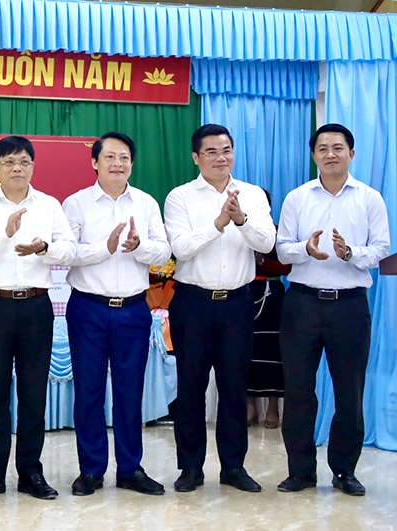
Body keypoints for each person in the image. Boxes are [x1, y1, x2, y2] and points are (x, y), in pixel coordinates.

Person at [275, 124, 390, 496]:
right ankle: (301, 471)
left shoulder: (370, 198)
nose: (330, 154)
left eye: (338, 147)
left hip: (350, 307)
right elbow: (281, 249)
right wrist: (304, 249)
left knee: (349, 392)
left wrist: (351, 254)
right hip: (303, 303)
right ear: (314, 156)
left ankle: (344, 471)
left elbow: (382, 249)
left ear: (351, 154)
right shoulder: (297, 197)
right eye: (322, 148)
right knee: (298, 391)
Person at [0, 135, 77, 501]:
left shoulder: (49, 205)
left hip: (36, 309)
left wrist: (43, 247)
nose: (17, 168)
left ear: (32, 166)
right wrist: (3, 235)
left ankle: (31, 473)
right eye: (9, 162)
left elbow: (69, 249)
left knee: (33, 395)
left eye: (24, 161)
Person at [164, 124, 275, 493]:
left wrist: (240, 219)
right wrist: (218, 224)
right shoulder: (180, 197)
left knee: (233, 387)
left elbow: (268, 240)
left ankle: (233, 467)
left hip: (237, 305)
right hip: (193, 303)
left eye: (226, 150)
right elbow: (180, 248)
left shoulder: (253, 194)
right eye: (211, 151)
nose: (220, 157)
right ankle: (191, 468)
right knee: (191, 387)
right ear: (196, 157)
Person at [62, 132, 171, 497]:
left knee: (129, 392)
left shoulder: (145, 203)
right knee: (89, 392)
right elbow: (67, 253)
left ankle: (130, 469)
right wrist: (103, 248)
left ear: (131, 163)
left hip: (133, 310)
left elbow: (163, 251)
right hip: (88, 309)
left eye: (124, 157)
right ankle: (91, 470)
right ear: (95, 162)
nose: (117, 163)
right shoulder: (76, 204)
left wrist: (138, 247)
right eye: (109, 157)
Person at [246, 190, 291, 430]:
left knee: (273, 351)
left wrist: (263, 262)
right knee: (244, 351)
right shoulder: (235, 229)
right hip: (241, 293)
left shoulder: (276, 231)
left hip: (271, 294)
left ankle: (273, 407)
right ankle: (249, 405)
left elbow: (288, 266)